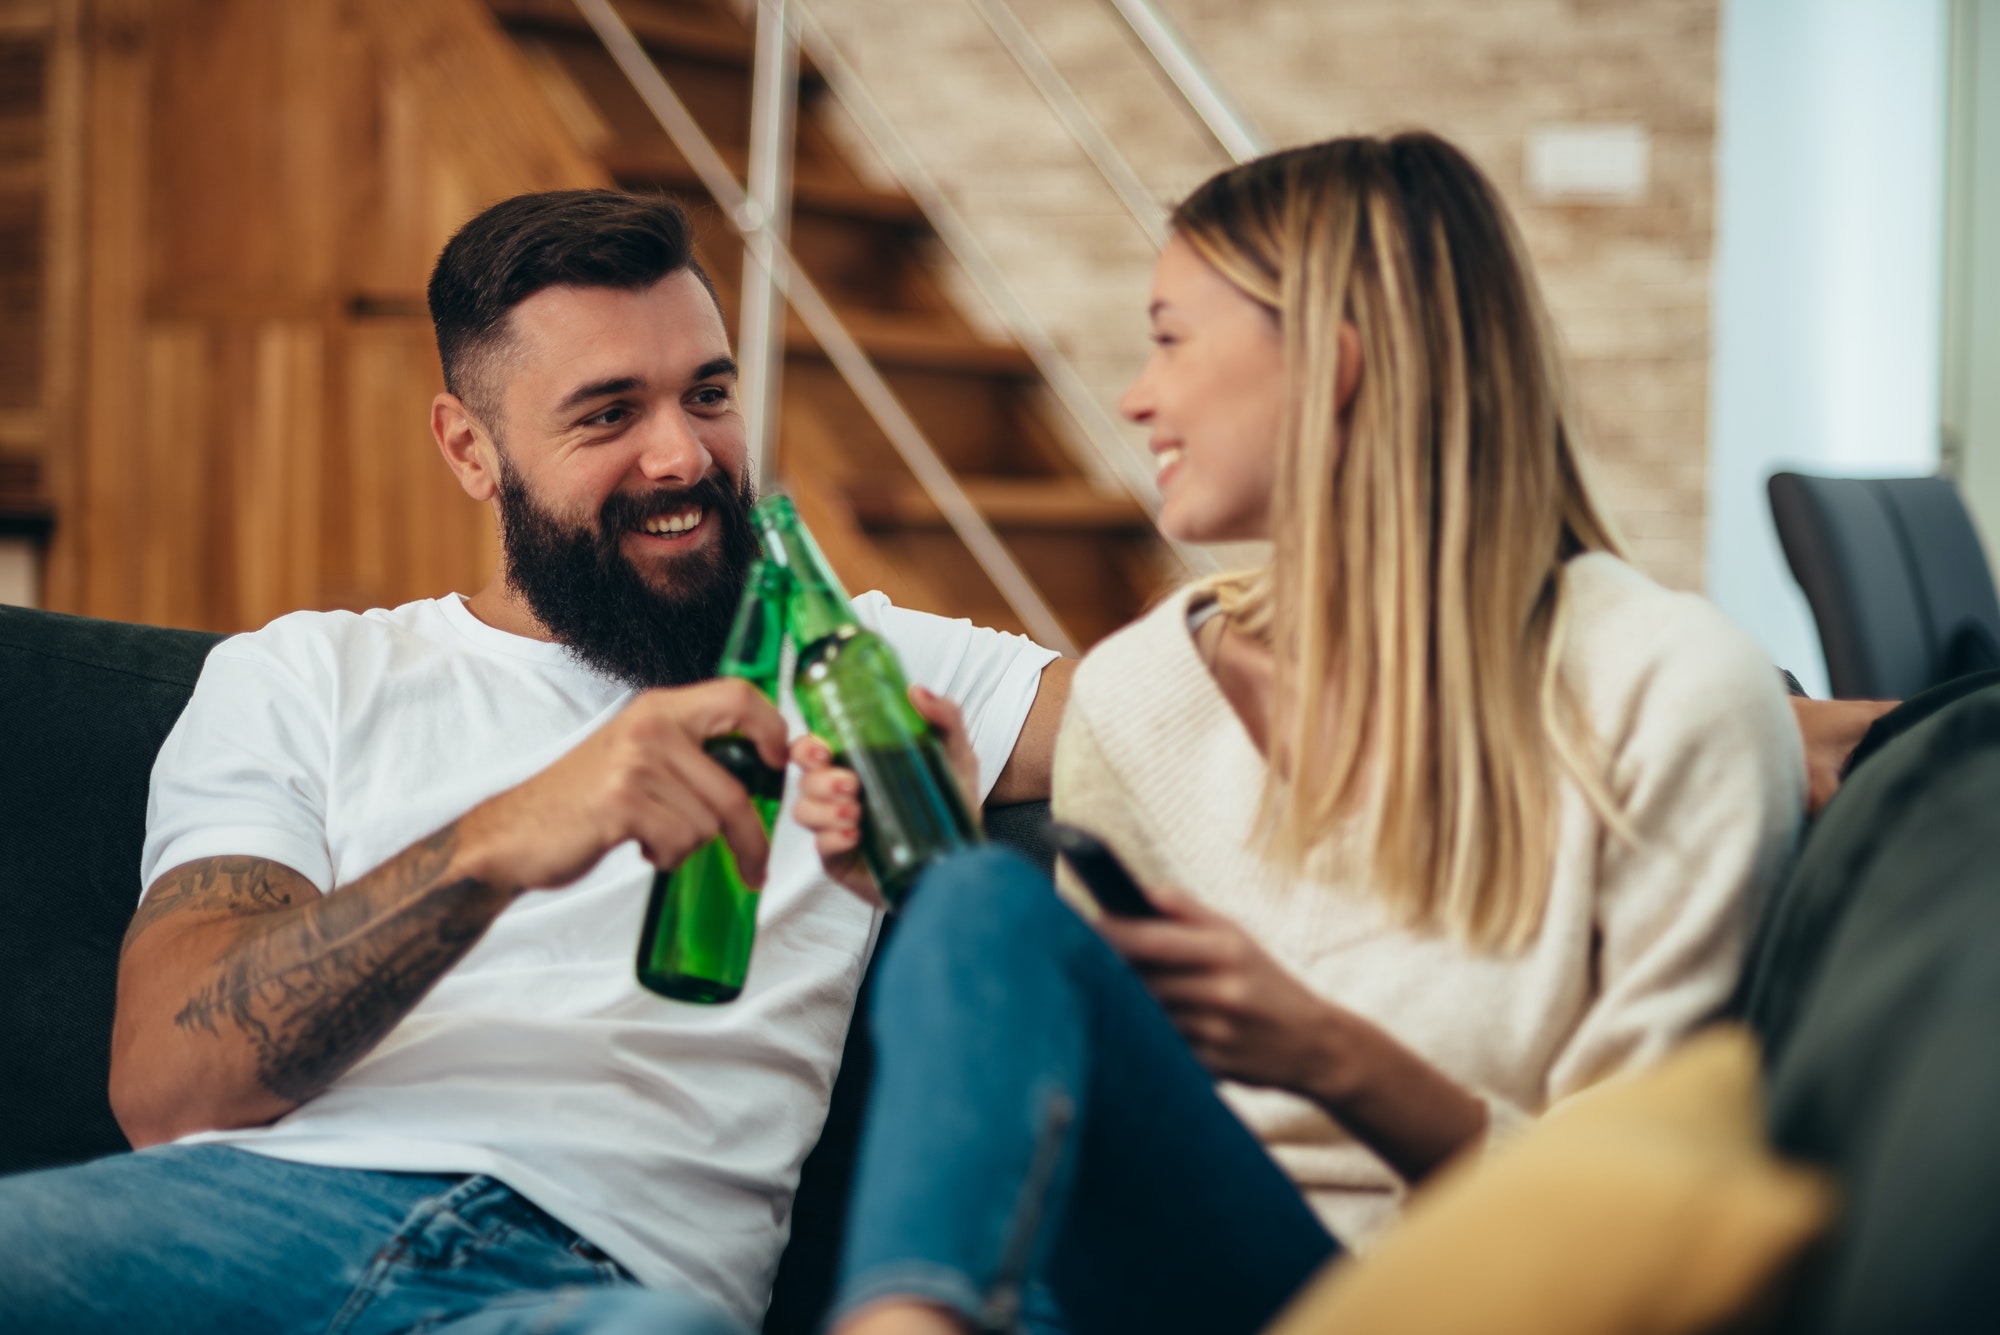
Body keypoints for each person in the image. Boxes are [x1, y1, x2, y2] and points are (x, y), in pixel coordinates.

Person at [0, 191, 1072, 1334]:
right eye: (608, 415)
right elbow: (169, 1084)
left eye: (706, 395)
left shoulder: (853, 656)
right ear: (471, 447)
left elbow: (1193, 713)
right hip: (234, 1225)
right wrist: (501, 843)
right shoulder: (307, 673)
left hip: (596, 1286)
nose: (680, 455)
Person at [790, 133, 1806, 1335]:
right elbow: (1080, 1137)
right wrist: (929, 880)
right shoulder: (1137, 692)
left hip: (1440, 1299)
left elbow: (1640, 1222)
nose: (1134, 394)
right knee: (974, 903)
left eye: (1169, 337)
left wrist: (1332, 1058)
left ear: (1328, 363)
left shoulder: (1669, 691)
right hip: (1147, 1291)